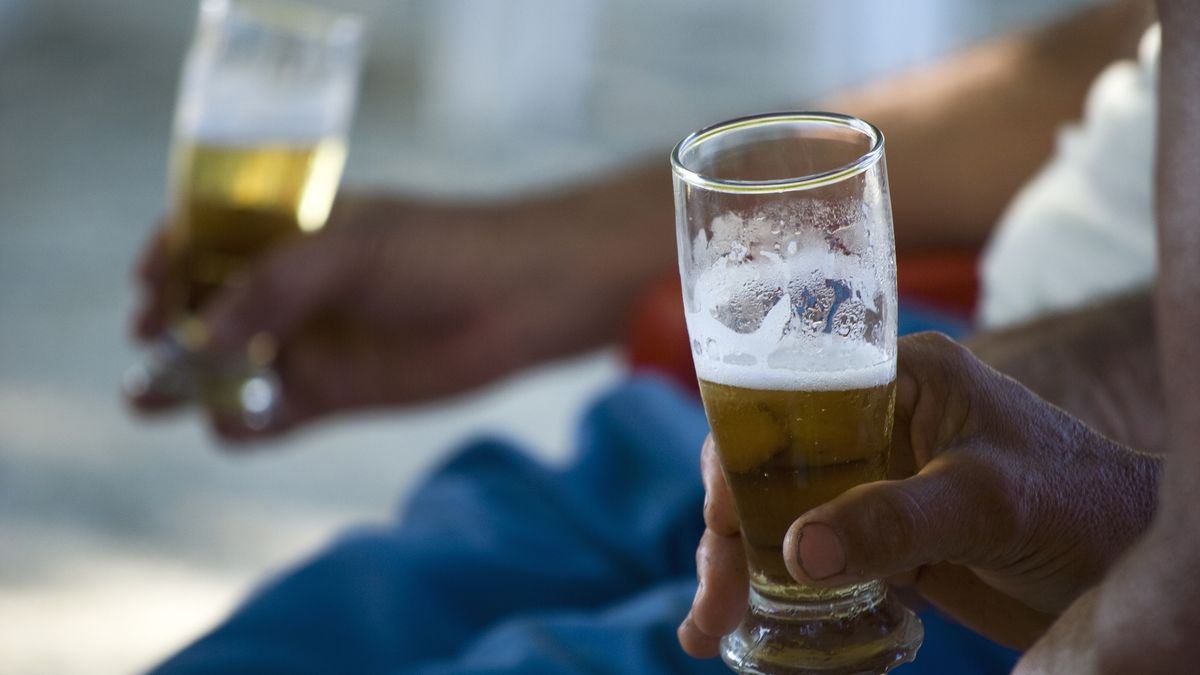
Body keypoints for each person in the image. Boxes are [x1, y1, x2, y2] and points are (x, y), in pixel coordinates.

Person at [132, 0, 1195, 671]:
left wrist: (1151, 537)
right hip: (851, 388)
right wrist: (530, 262)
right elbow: (1124, 52)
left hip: (1061, 529)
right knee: (307, 630)